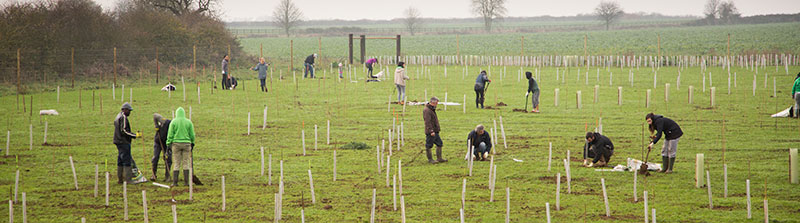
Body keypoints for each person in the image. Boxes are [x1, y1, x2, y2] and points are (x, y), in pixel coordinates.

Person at [166, 107, 196, 186]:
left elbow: (170, 134)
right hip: (186, 144)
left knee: (176, 163)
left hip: (176, 144)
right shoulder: (188, 122)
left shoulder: (173, 122)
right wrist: (192, 142)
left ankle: (175, 182)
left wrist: (168, 143)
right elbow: (192, 134)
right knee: (186, 163)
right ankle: (186, 182)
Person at [113, 102, 141, 184]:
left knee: (120, 160)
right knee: (126, 160)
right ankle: (128, 179)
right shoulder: (123, 117)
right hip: (123, 141)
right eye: (129, 110)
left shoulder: (117, 116)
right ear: (124, 110)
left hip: (118, 141)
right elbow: (124, 131)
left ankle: (120, 179)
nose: (129, 112)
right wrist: (135, 135)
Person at [423, 97, 447, 164]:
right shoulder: (427, 110)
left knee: (439, 143)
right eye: (436, 103)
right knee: (429, 145)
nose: (437, 104)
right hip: (431, 132)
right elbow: (427, 122)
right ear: (432, 102)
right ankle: (430, 159)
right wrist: (431, 131)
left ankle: (439, 158)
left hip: (435, 131)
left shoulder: (431, 109)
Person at [151, 114, 172, 182]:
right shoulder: (164, 121)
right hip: (158, 141)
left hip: (167, 143)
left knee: (168, 158)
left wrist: (167, 151)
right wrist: (156, 126)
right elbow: (155, 116)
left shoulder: (174, 129)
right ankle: (153, 174)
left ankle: (167, 176)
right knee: (155, 157)